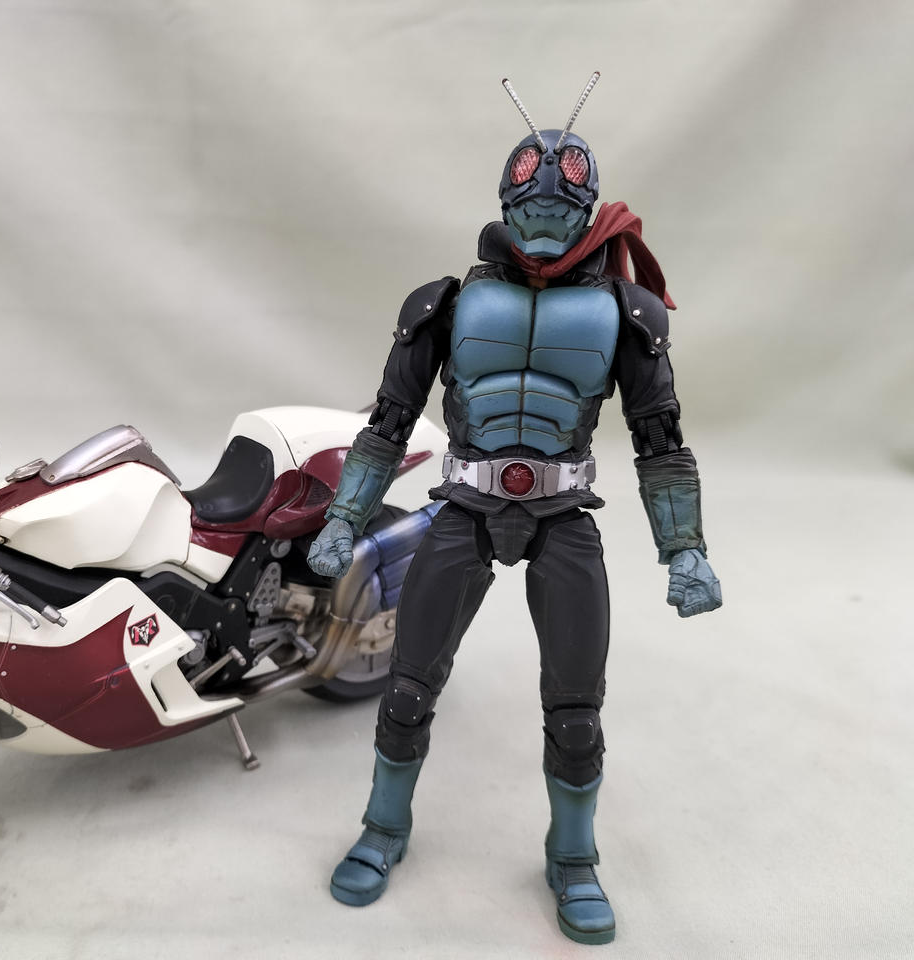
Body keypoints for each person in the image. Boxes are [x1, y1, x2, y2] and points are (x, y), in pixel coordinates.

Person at [306, 73, 722, 946]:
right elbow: (386, 421)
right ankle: (383, 829)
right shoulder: (448, 303)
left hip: (564, 515)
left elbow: (660, 436)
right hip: (464, 503)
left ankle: (573, 857)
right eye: (530, 197)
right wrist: (344, 517)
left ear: (589, 208)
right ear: (504, 200)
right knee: (408, 689)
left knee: (575, 709)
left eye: (562, 201)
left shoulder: (627, 312)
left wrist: (684, 547)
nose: (544, 215)